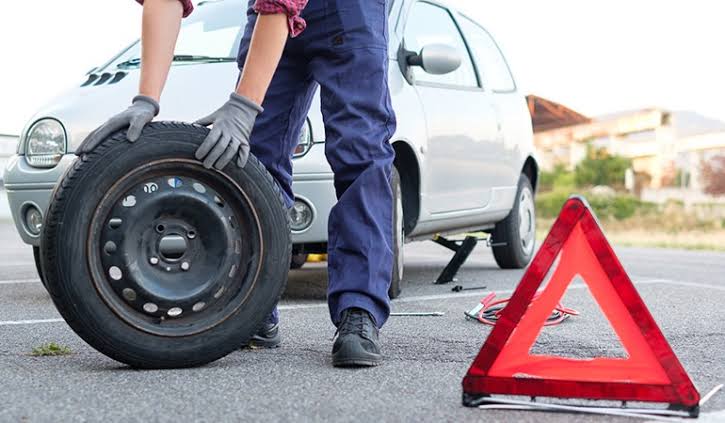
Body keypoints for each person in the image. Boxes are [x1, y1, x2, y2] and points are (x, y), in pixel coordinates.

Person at [78, 0, 397, 367]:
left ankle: (360, 309)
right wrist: (146, 99)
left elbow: (281, 4)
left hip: (349, 11)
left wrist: (244, 106)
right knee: (255, 155)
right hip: (269, 12)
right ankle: (254, 306)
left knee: (359, 152)